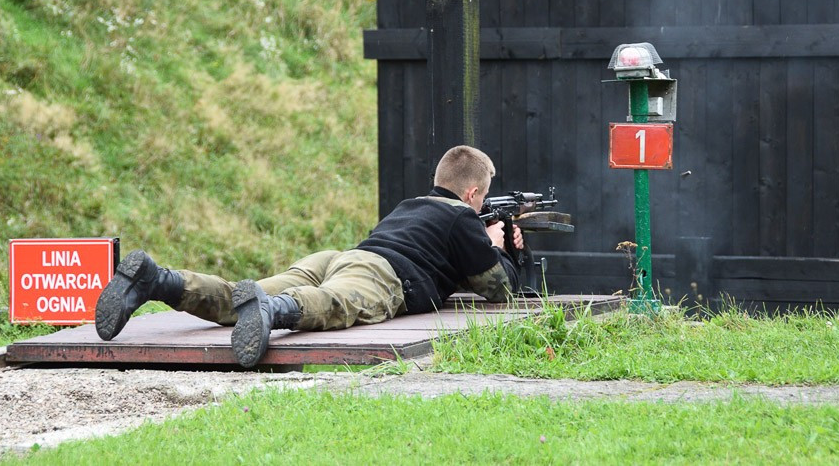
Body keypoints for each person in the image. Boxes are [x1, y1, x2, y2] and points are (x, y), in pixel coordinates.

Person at [94, 145, 523, 368]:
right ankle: (270, 311)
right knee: (335, 305)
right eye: (481, 198)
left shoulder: (411, 205)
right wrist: (497, 246)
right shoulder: (462, 218)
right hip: (379, 274)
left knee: (239, 295)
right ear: (472, 194)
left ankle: (157, 279)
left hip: (336, 258)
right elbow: (499, 289)